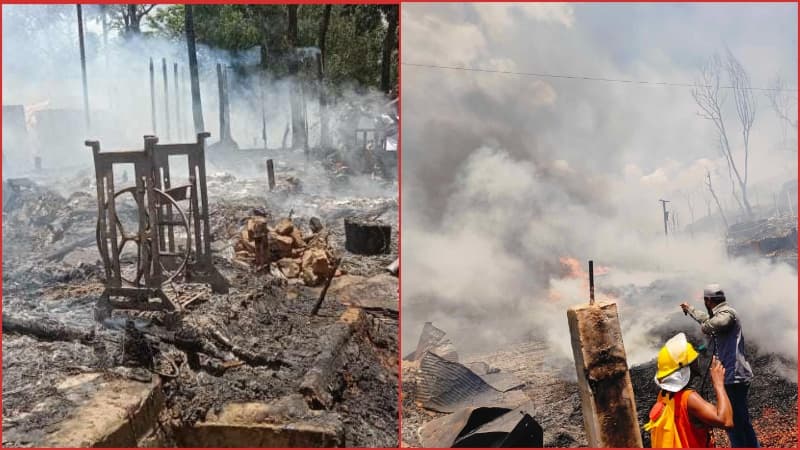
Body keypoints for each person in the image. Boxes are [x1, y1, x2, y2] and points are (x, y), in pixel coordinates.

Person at [680, 283, 759, 448]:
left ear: (709, 301)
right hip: (730, 375)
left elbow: (710, 325)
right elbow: (708, 320)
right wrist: (691, 309)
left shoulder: (728, 313)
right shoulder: (720, 313)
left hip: (734, 375)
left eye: (705, 300)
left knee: (734, 424)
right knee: (741, 422)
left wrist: (705, 325)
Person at [644, 333, 733, 448]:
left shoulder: (664, 394)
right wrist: (719, 384)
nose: (697, 360)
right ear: (686, 368)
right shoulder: (689, 398)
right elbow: (726, 421)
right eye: (693, 360)